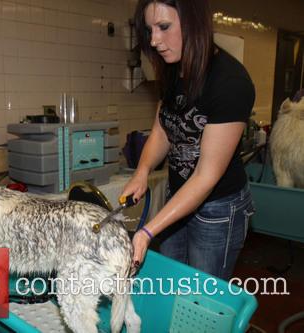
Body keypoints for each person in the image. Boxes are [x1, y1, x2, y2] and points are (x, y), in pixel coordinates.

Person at [122, 0, 255, 280]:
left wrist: (147, 231)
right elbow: (163, 129)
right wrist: (142, 171)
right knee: (171, 284)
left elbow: (206, 176)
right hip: (178, 197)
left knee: (200, 298)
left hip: (216, 208)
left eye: (164, 27)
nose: (155, 40)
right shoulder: (173, 67)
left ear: (193, 21)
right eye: (150, 30)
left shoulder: (230, 82)